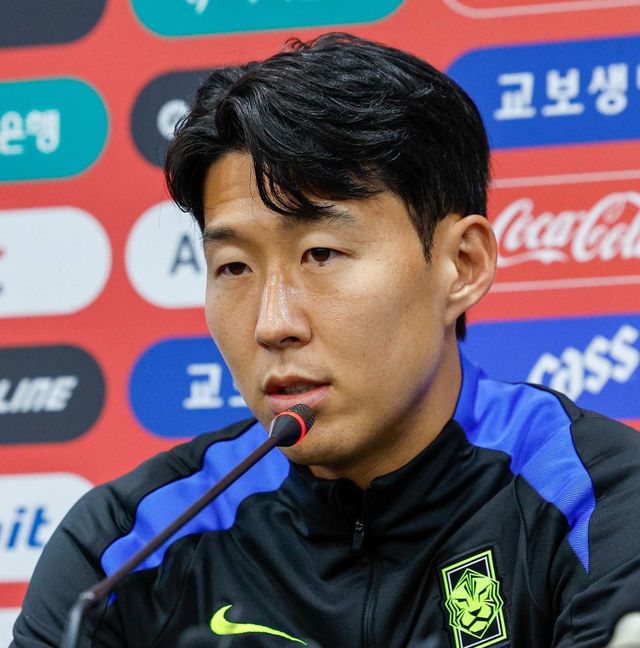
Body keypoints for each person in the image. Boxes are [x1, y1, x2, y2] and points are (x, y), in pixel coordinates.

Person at [12, 33, 640, 648]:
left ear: (462, 265)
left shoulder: (596, 499)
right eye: (234, 267)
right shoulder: (124, 545)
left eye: (321, 254)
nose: (272, 323)